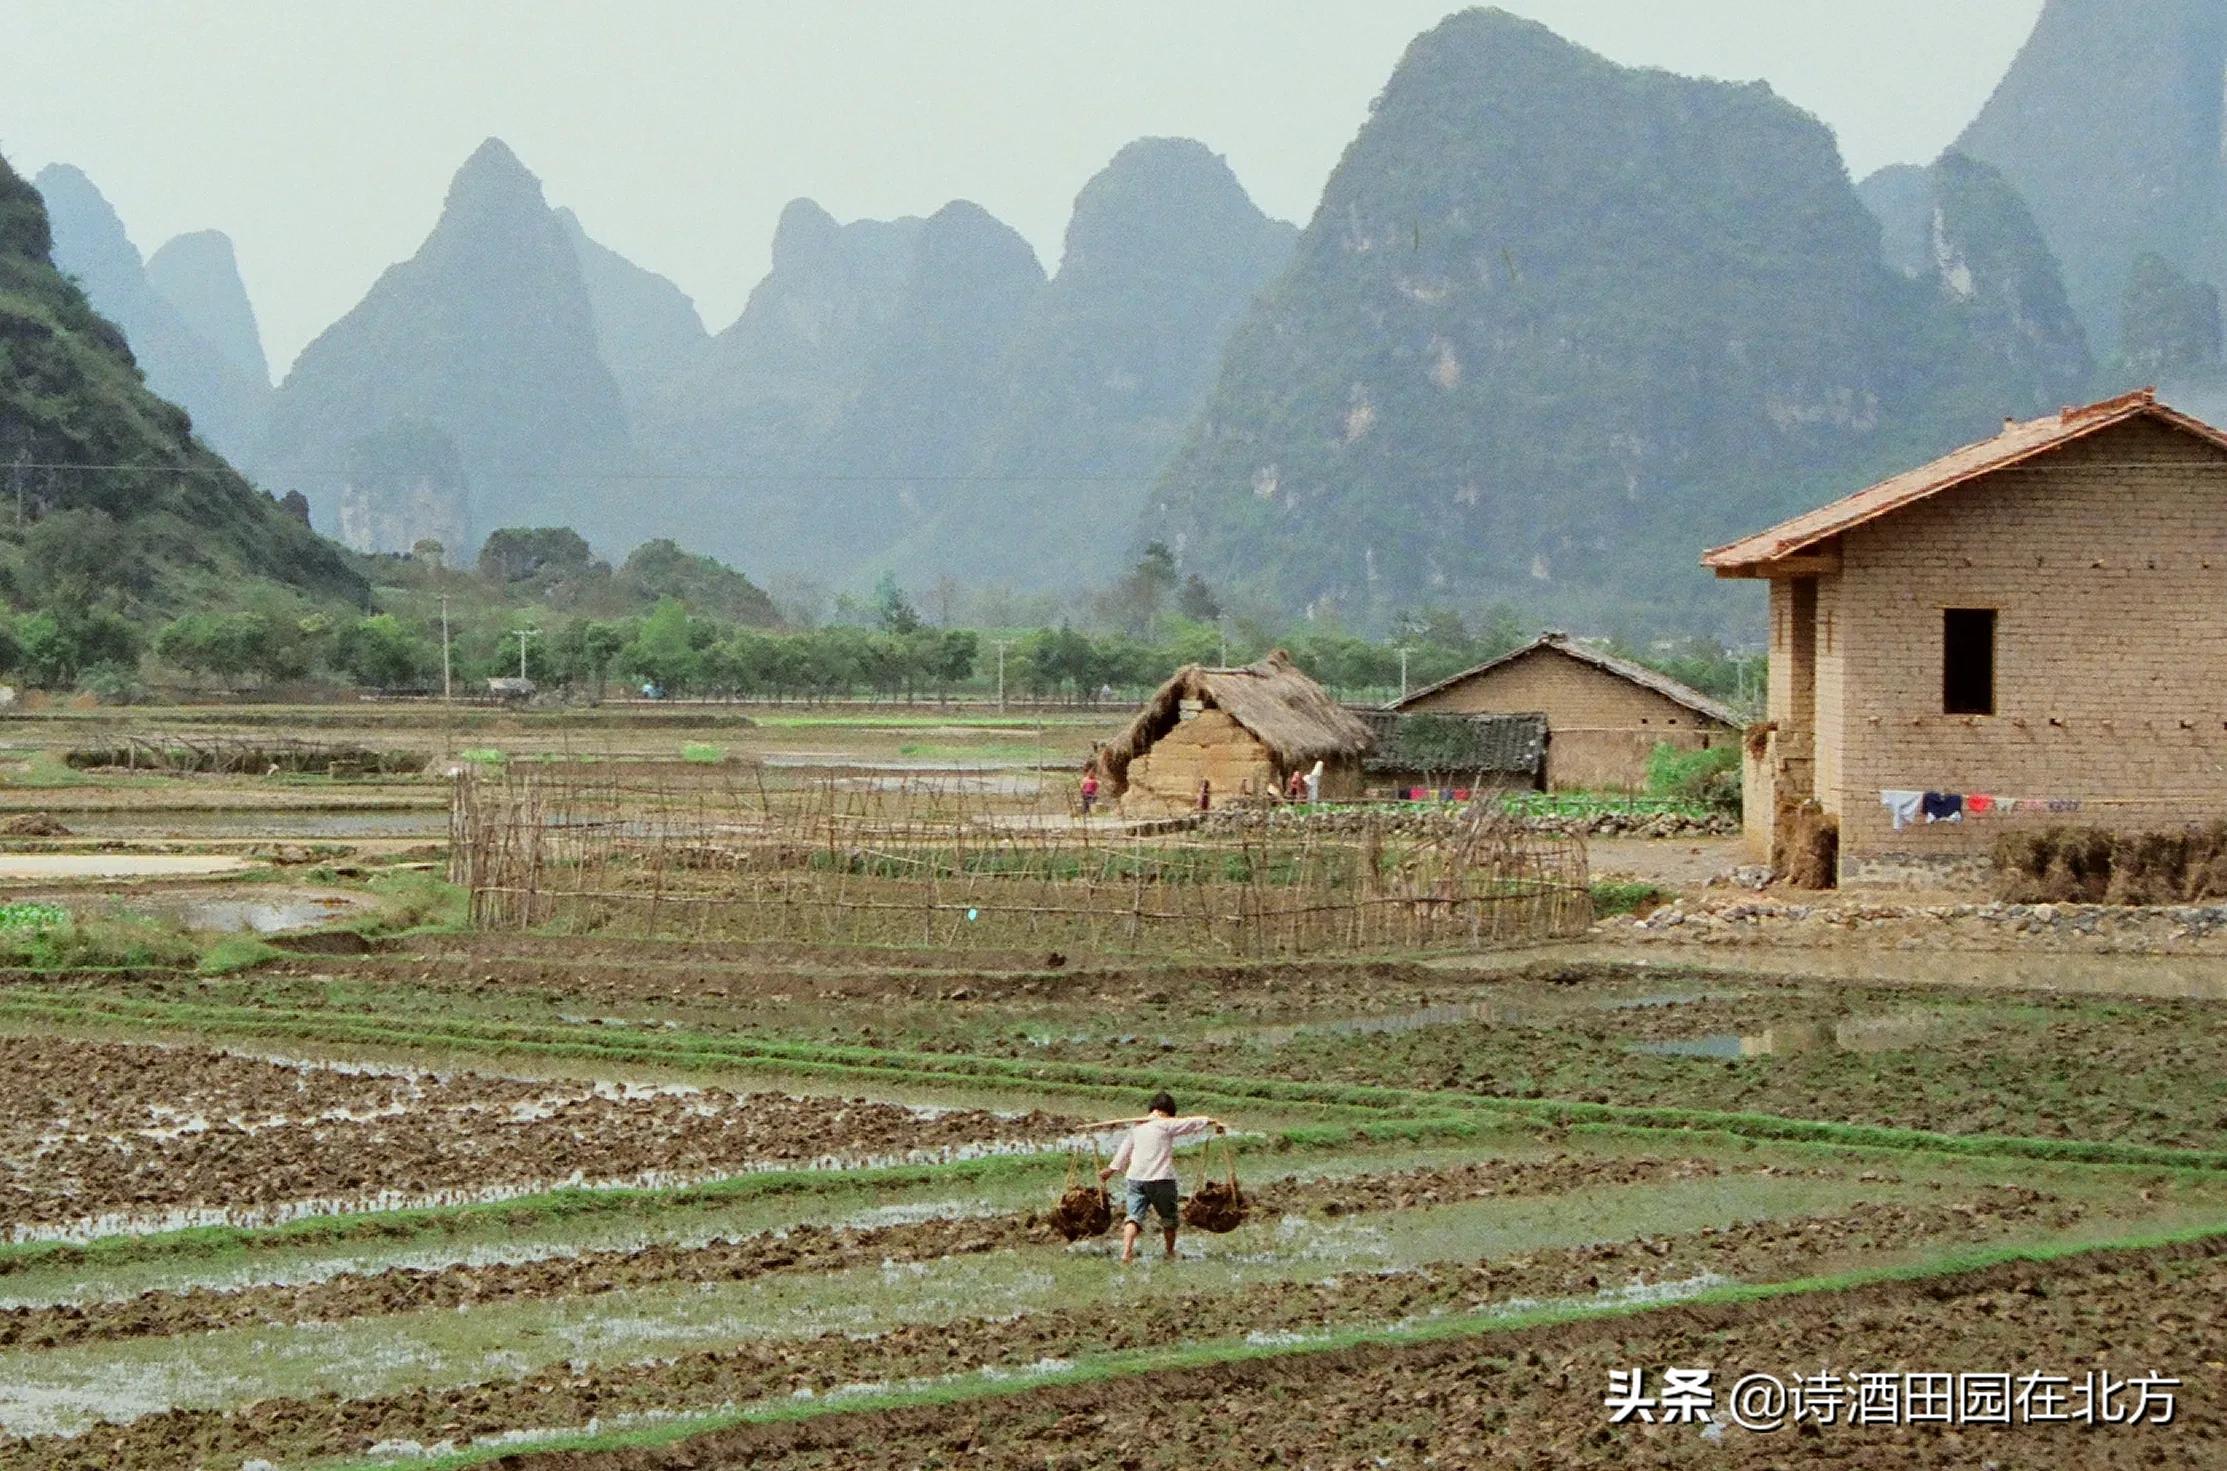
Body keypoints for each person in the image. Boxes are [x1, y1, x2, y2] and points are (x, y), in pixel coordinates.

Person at [1099, 1092, 1225, 1262]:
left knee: (1133, 1217)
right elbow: (1188, 1123)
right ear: (1169, 1111)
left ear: (1152, 1109)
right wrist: (1210, 1120)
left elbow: (1124, 1151)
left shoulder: (1137, 1127)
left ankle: (1126, 1252)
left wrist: (1111, 1169)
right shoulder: (1166, 1124)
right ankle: (1169, 1252)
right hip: (1161, 1179)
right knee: (1169, 1218)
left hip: (1135, 1179)